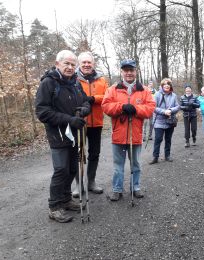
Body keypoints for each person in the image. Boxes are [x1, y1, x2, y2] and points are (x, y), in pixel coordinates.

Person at [35, 50, 91, 223]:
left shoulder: (75, 82)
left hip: (76, 135)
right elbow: (42, 112)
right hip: (58, 135)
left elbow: (85, 100)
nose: (70, 67)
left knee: (73, 169)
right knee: (61, 170)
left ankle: (66, 199)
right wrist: (69, 120)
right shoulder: (48, 83)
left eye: (73, 64)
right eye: (66, 63)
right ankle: (54, 207)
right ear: (57, 64)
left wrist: (84, 109)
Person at [101, 59, 155, 201]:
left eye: (131, 70)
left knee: (136, 164)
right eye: (126, 70)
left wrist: (136, 109)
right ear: (122, 72)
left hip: (135, 135)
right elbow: (106, 106)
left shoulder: (145, 90)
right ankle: (117, 189)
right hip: (118, 135)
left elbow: (150, 109)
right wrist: (122, 107)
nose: (129, 73)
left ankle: (135, 187)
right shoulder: (112, 89)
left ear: (136, 71)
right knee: (118, 165)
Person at [72, 51, 108, 198]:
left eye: (89, 62)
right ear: (79, 64)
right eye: (84, 62)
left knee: (94, 153)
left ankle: (91, 182)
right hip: (79, 121)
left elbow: (107, 96)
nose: (87, 65)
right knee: (78, 153)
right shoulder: (73, 79)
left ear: (93, 64)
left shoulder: (101, 79)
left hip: (96, 122)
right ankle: (78, 185)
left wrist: (93, 98)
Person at [149, 78, 180, 164]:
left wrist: (170, 110)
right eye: (165, 84)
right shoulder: (157, 95)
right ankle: (155, 157)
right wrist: (164, 111)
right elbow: (153, 108)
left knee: (168, 139)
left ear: (170, 86)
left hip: (170, 121)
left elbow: (177, 107)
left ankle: (167, 155)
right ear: (162, 86)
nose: (167, 85)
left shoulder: (173, 95)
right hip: (159, 121)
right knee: (158, 139)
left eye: (168, 84)